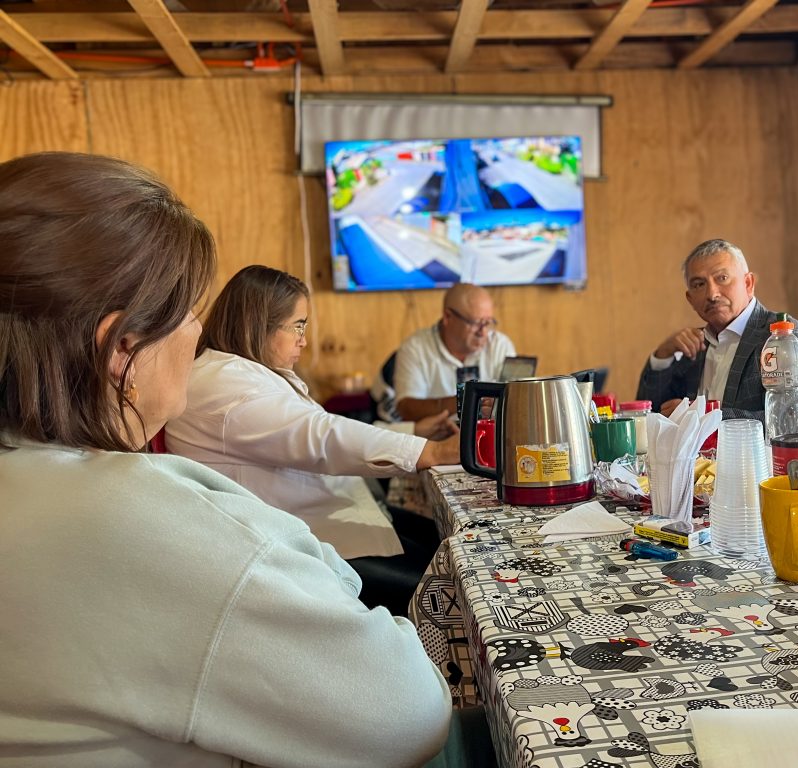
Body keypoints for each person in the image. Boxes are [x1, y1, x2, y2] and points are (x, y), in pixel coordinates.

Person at [0, 152, 451, 766]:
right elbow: (409, 716)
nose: (196, 330)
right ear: (122, 347)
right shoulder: (141, 511)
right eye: (189, 310)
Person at [165, 265, 460, 616]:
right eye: (298, 326)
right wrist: (431, 451)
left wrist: (414, 434)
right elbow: (322, 437)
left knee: (445, 543)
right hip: (296, 545)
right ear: (259, 326)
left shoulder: (240, 372)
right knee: (452, 586)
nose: (303, 340)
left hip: (317, 517)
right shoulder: (228, 384)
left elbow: (315, 429)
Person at [637, 239, 798, 425]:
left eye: (722, 278)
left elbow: (794, 421)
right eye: (699, 284)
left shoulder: (785, 339)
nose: (712, 294)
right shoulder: (692, 346)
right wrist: (662, 357)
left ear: (748, 283)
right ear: (690, 299)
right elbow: (647, 417)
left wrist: (702, 415)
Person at [394, 283, 516, 421]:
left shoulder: (500, 345)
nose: (483, 332)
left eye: (488, 323)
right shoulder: (415, 348)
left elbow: (513, 403)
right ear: (448, 317)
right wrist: (468, 399)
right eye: (475, 323)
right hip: (437, 434)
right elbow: (406, 408)